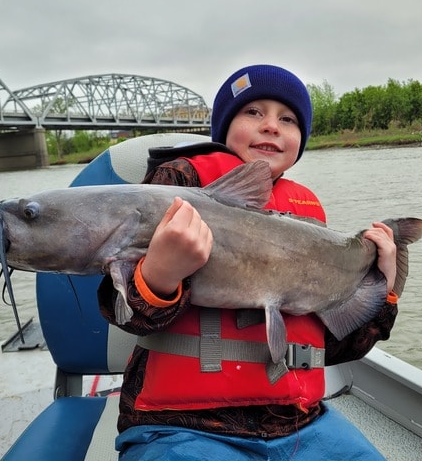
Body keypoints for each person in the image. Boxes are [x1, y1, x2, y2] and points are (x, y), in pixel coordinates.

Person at [98, 64, 399, 460]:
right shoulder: (176, 183)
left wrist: (385, 288)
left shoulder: (309, 222)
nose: (271, 126)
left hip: (299, 424)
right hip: (181, 427)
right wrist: (161, 274)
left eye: (287, 119)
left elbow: (339, 348)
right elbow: (122, 315)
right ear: (223, 129)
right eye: (253, 112)